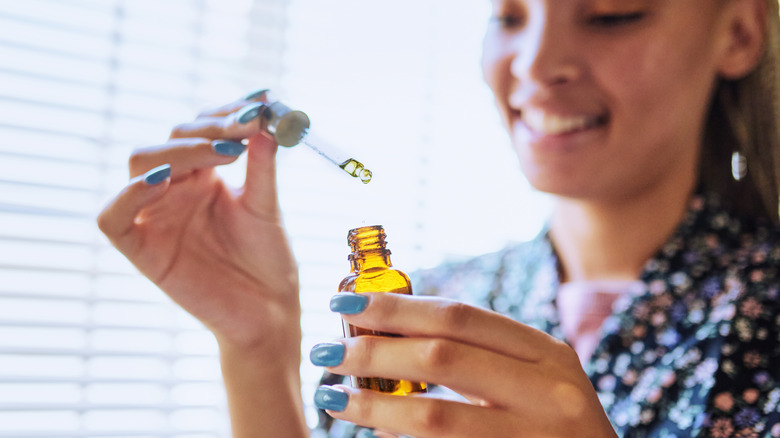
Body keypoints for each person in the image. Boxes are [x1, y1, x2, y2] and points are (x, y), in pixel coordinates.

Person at [97, 0, 780, 436]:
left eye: (610, 14)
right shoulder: (418, 309)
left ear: (740, 31)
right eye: (510, 16)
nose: (536, 66)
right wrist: (257, 349)